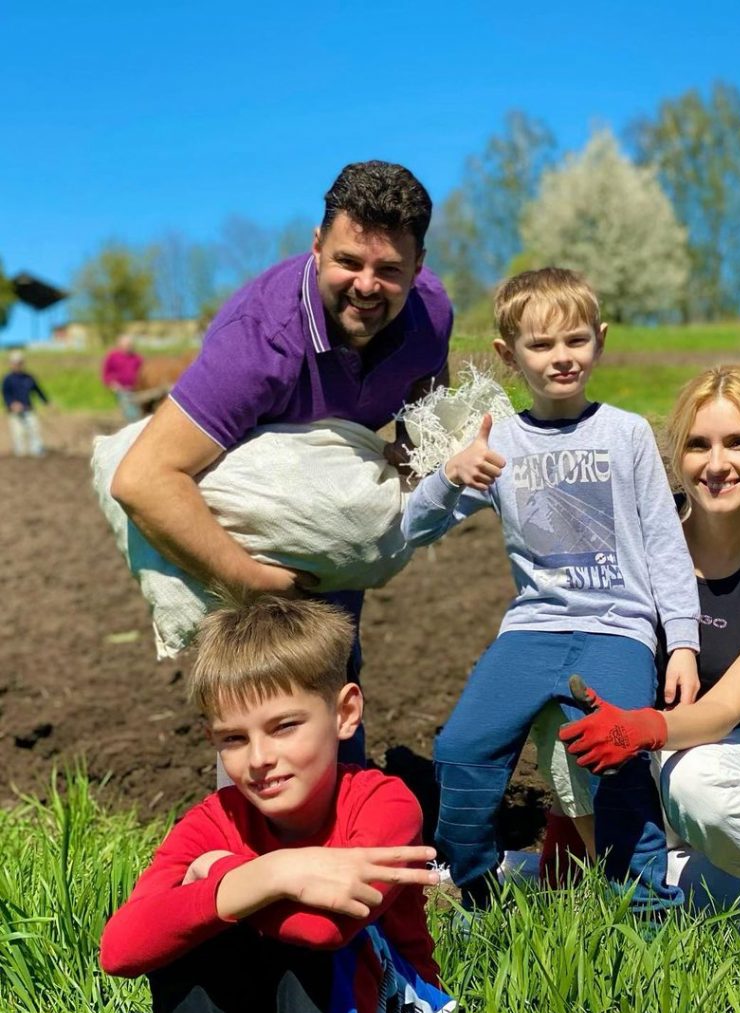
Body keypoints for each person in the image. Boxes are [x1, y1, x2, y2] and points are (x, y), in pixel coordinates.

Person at [401, 268, 701, 912]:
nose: (561, 357)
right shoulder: (497, 442)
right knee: (460, 749)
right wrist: (449, 475)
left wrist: (680, 643)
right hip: (531, 630)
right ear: (510, 356)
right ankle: (475, 897)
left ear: (600, 339)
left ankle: (647, 909)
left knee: (615, 758)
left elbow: (665, 544)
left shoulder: (626, 434)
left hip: (616, 630)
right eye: (540, 346)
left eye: (575, 340)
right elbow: (413, 527)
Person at [110, 161, 453, 718]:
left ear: (419, 266)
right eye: (347, 261)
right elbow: (143, 478)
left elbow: (430, 380)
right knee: (257, 683)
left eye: (389, 269)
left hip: (329, 503)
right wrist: (254, 581)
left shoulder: (431, 313)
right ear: (317, 246)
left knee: (337, 667)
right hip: (248, 533)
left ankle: (339, 790)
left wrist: (418, 448)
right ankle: (248, 804)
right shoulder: (259, 342)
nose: (367, 286)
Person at [560, 365, 740, 905]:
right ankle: (619, 885)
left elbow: (722, 712)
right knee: (563, 722)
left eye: (739, 442)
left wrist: (640, 729)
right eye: (697, 445)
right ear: (675, 456)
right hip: (655, 757)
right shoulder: (634, 535)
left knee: (697, 779)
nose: (716, 465)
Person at [100, 595, 455, 1013]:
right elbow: (119, 949)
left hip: (390, 1005)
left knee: (292, 945)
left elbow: (325, 930)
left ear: (345, 712)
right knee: (187, 939)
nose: (258, 758)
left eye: (284, 727)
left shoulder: (382, 803)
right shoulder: (213, 819)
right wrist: (274, 874)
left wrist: (225, 870)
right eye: (233, 738)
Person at [3, 350, 47, 457]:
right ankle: (20, 455)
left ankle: (37, 452)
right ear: (11, 364)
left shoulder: (28, 377)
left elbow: (38, 390)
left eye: (19, 362)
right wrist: (12, 404)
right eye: (15, 363)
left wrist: (45, 401)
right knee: (18, 433)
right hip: (15, 412)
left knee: (34, 430)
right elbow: (6, 394)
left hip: (28, 409)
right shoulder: (7, 379)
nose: (17, 365)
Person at [101, 333, 144, 422]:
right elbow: (106, 373)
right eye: (127, 345)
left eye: (130, 345)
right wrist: (112, 384)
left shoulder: (137, 358)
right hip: (122, 389)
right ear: (120, 345)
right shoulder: (113, 357)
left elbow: (143, 372)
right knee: (132, 413)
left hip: (136, 389)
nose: (129, 347)